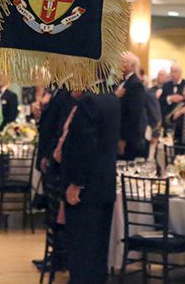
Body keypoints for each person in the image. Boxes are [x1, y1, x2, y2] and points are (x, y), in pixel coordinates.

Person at [61, 87, 122, 284]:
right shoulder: (111, 98)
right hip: (104, 184)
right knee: (98, 249)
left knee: (82, 248)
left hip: (87, 187)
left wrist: (77, 182)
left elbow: (84, 146)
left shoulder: (89, 101)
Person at [115, 52, 148, 160]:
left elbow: (134, 115)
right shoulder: (121, 82)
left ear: (132, 66)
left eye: (122, 62)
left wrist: (123, 138)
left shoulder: (135, 84)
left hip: (128, 139)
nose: (118, 64)